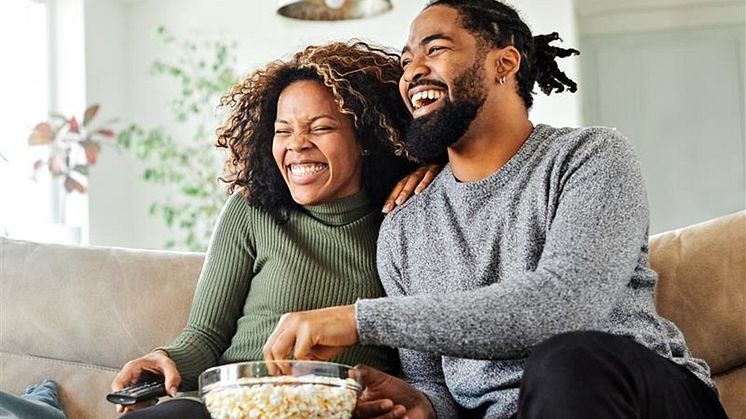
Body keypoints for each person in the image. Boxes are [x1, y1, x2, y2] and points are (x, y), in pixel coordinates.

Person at [262, 1, 730, 418]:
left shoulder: (589, 157)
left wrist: (359, 319)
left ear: (504, 63)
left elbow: (563, 307)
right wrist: (420, 402)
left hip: (640, 395)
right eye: (406, 61)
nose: (412, 72)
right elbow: (436, 384)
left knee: (564, 361)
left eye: (435, 49)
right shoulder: (404, 225)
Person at [111, 40, 441, 418]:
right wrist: (162, 360)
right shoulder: (251, 211)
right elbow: (205, 336)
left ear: (365, 140)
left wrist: (436, 172)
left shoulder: (403, 222)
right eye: (283, 131)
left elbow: (422, 356)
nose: (297, 145)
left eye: (321, 127)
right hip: (232, 406)